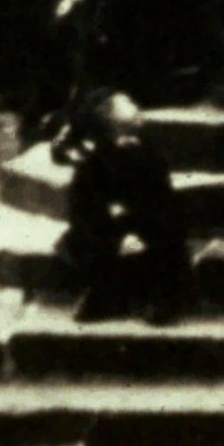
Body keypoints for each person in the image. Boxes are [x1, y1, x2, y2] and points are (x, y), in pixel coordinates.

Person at [51, 91, 192, 327]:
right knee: (84, 242)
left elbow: (162, 199)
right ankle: (106, 295)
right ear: (109, 119)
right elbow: (85, 207)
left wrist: (141, 230)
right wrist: (118, 236)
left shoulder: (149, 154)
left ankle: (160, 299)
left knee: (167, 243)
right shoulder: (94, 162)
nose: (136, 106)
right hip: (111, 229)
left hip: (145, 227)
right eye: (127, 103)